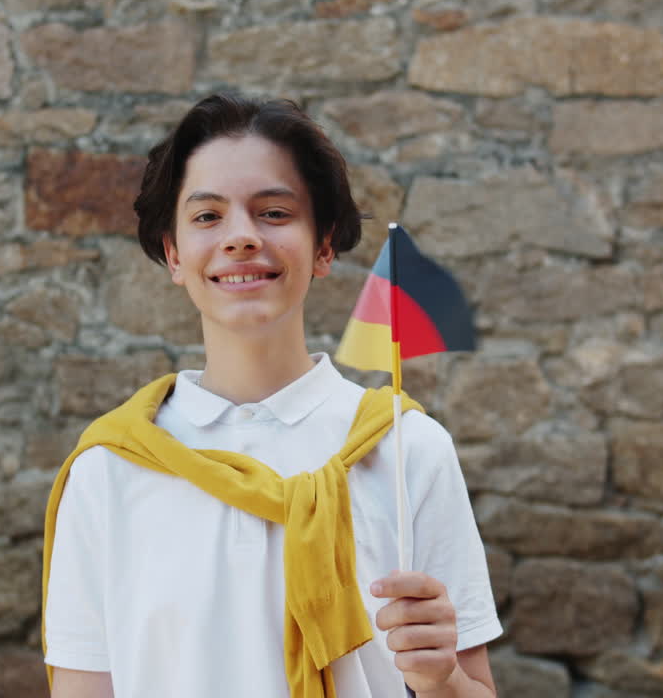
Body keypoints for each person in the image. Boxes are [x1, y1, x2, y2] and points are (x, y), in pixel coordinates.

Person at [41, 93, 501, 698]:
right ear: (174, 254)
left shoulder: (407, 448)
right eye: (208, 216)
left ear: (324, 246)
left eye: (275, 212)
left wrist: (442, 680)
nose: (240, 237)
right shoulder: (108, 468)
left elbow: (475, 690)